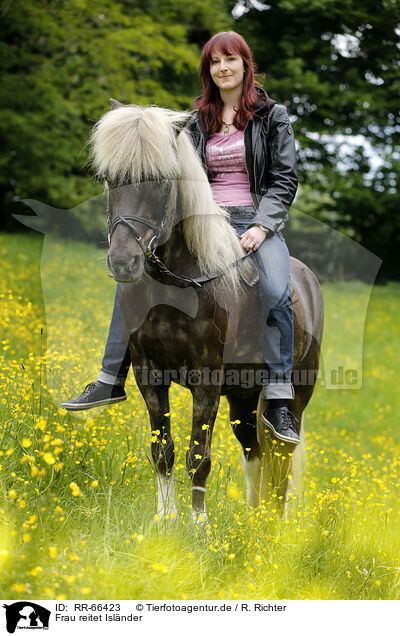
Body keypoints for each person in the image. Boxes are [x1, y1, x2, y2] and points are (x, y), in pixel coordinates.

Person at [61, 31, 299, 445]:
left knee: (277, 289)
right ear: (208, 71)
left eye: (231, 60)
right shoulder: (195, 118)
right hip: (202, 220)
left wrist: (263, 225)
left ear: (246, 65)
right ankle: (108, 378)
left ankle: (278, 397)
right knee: (134, 278)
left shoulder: (271, 116)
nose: (223, 68)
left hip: (255, 222)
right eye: (214, 62)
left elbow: (284, 179)